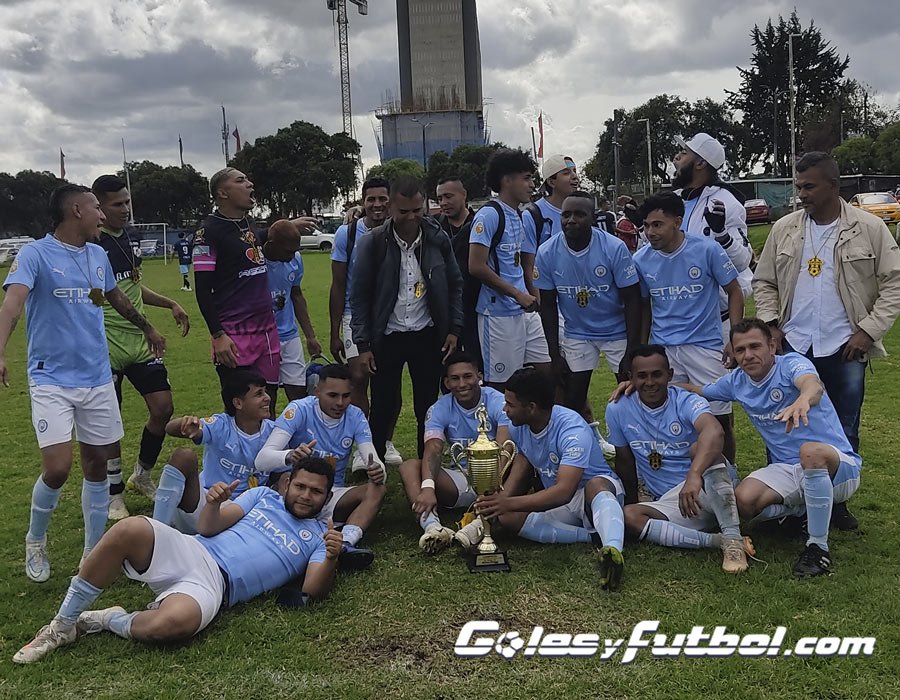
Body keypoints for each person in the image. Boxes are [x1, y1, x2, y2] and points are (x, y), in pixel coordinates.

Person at [12, 457, 343, 664]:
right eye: (300, 486)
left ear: (326, 498)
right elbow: (208, 528)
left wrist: (330, 555)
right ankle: (61, 625)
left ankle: (110, 619)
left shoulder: (318, 536)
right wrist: (213, 504)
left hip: (215, 585)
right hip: (193, 549)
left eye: (315, 492)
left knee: (169, 626)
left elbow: (311, 589)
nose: (305, 495)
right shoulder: (263, 497)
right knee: (130, 528)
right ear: (287, 484)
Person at [0, 184, 166, 582]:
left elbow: (116, 299)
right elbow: (12, 305)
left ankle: (93, 552)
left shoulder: (97, 254)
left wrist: (148, 328)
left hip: (96, 377)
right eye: (97, 208)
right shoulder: (34, 254)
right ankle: (35, 539)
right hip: (51, 378)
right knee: (57, 468)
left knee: (96, 464)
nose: (104, 216)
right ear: (76, 210)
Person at [753, 152, 900, 530]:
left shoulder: (868, 228)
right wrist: (771, 325)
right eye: (798, 186)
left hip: (845, 347)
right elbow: (764, 281)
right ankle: (787, 504)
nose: (801, 193)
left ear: (834, 187)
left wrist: (868, 330)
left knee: (843, 429)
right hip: (792, 348)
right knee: (783, 428)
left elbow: (893, 283)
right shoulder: (785, 228)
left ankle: (836, 504)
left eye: (809, 186)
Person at [682, 318, 862, 578]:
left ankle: (817, 548)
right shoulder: (736, 382)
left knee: (809, 451)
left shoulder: (791, 364)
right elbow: (700, 390)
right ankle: (802, 510)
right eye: (740, 350)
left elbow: (812, 385)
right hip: (788, 468)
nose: (748, 355)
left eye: (755, 346)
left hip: (837, 466)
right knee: (744, 502)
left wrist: (803, 399)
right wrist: (648, 386)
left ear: (772, 345)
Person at [471, 368, 627, 591]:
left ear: (532, 408)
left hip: (594, 498)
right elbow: (524, 460)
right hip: (560, 503)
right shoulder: (520, 426)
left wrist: (507, 502)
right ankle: (592, 538)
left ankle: (613, 552)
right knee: (507, 517)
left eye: (510, 404)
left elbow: (563, 490)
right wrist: (500, 502)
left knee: (596, 484)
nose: (505, 410)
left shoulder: (571, 428)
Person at [92, 175, 191, 520]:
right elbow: (107, 294)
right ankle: (114, 493)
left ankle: (141, 474)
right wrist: (148, 326)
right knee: (110, 423)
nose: (125, 209)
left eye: (127, 202)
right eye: (117, 204)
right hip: (105, 343)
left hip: (138, 340)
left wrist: (169, 304)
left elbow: (133, 287)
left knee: (162, 408)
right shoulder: (93, 244)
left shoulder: (129, 238)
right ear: (98, 207)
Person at [606, 346, 752, 573]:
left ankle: (733, 540)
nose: (650, 382)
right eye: (642, 376)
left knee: (701, 449)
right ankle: (717, 541)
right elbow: (624, 461)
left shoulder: (685, 400)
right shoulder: (618, 408)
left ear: (670, 375)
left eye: (657, 374)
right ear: (630, 378)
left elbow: (715, 431)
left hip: (709, 487)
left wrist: (694, 476)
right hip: (673, 503)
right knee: (630, 516)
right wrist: (632, 500)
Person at [350, 176, 464, 461]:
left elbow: (455, 284)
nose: (412, 217)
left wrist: (454, 329)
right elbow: (360, 296)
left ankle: (427, 468)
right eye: (404, 212)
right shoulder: (372, 243)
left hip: (428, 334)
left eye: (417, 210)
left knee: (428, 407)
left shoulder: (438, 239)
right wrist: (362, 345)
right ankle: (374, 466)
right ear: (390, 208)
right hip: (387, 337)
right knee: (383, 406)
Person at [631, 191, 744, 463]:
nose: (650, 232)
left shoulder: (706, 249)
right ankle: (683, 477)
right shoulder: (641, 259)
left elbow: (735, 290)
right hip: (665, 349)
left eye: (657, 225)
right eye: (646, 226)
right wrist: (643, 348)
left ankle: (726, 481)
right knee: (674, 417)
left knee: (718, 419)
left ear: (677, 222)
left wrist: (735, 338)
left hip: (705, 347)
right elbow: (645, 305)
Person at [193, 167, 317, 393]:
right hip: (234, 334)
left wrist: (290, 225)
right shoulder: (207, 233)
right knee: (242, 407)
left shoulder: (245, 224)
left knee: (265, 404)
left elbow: (254, 239)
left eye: (248, 179)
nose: (250, 184)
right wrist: (218, 335)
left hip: (268, 333)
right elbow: (202, 290)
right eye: (241, 181)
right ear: (223, 193)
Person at [255, 363, 384, 569]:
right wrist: (290, 455)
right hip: (300, 493)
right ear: (317, 392)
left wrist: (378, 470)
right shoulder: (299, 409)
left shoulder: (356, 415)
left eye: (346, 396)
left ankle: (345, 543)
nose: (341, 403)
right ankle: (289, 537)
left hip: (330, 494)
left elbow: (372, 457)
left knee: (377, 488)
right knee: (284, 480)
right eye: (333, 395)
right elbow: (262, 460)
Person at [535, 191, 642, 416]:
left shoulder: (614, 248)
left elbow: (632, 300)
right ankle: (583, 444)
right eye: (566, 215)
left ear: (593, 218)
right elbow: (547, 306)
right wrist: (554, 354)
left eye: (579, 214)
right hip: (578, 332)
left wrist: (632, 350)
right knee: (573, 400)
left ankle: (634, 443)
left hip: (616, 331)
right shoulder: (546, 252)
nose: (571, 220)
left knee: (631, 393)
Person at [397, 351, 511, 553]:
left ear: (479, 376)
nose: (462, 384)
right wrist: (428, 487)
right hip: (461, 479)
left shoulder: (498, 401)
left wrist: (492, 485)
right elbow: (433, 448)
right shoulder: (439, 408)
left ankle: (480, 526)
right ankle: (433, 528)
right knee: (409, 466)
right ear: (447, 383)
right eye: (455, 378)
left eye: (467, 376)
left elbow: (505, 447)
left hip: (497, 481)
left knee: (516, 466)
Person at [328, 177, 402, 467]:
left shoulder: (400, 230)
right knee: (358, 379)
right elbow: (337, 285)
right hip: (354, 316)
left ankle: (384, 439)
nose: (378, 205)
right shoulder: (346, 235)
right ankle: (364, 446)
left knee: (389, 383)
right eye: (371, 199)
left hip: (391, 318)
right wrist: (335, 332)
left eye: (383, 198)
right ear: (363, 202)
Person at [151, 370, 275, 533]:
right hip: (207, 505)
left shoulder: (275, 433)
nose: (267, 398)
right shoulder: (221, 425)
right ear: (238, 403)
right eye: (259, 394)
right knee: (184, 456)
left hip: (245, 515)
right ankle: (156, 532)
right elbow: (169, 428)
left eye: (265, 391)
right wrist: (185, 423)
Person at [469, 149, 551, 389]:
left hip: (524, 310)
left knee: (547, 370)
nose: (532, 184)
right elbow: (475, 266)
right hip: (497, 314)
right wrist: (517, 294)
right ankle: (500, 427)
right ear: (507, 180)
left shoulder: (518, 214)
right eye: (526, 178)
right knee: (502, 385)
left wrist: (532, 291)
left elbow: (524, 262)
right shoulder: (489, 215)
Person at [671, 132, 754, 324]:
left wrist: (722, 234)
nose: (677, 158)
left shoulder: (727, 203)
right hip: (677, 318)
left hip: (716, 319)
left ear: (700, 164)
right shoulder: (674, 200)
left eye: (684, 153)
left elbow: (742, 262)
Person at [264, 219, 322, 405]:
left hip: (289, 335)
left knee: (298, 396)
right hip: (263, 338)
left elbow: (296, 296)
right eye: (289, 251)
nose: (293, 256)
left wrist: (310, 336)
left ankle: (300, 434)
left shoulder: (295, 260)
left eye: (296, 250)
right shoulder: (255, 263)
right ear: (271, 245)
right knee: (266, 397)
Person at [435, 176, 480, 365]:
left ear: (464, 195)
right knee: (445, 364)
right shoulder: (434, 227)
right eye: (439, 198)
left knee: (478, 363)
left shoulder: (480, 224)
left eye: (448, 196)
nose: (444, 203)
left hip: (476, 306)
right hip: (445, 309)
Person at [522, 154, 580, 253]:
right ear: (551, 182)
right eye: (566, 173)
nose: (575, 177)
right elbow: (528, 263)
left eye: (574, 171)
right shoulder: (532, 216)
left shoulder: (582, 211)